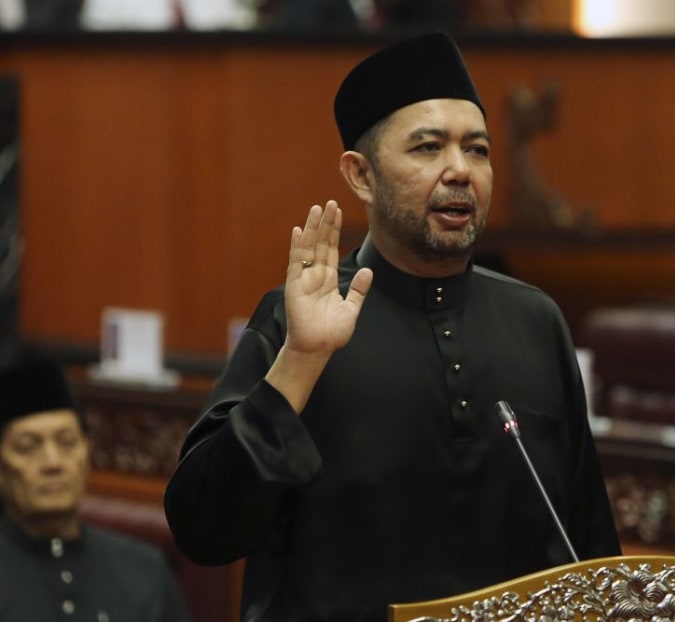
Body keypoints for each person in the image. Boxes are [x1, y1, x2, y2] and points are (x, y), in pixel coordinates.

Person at [164, 32, 621, 622]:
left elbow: (591, 546)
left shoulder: (536, 321)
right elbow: (203, 529)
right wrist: (301, 360)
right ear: (362, 176)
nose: (460, 170)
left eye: (477, 150)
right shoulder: (297, 321)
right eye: (428, 147)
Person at [0, 352, 190, 622]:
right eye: (28, 447)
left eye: (66, 443)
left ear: (86, 453)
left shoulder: (144, 570)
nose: (52, 463)